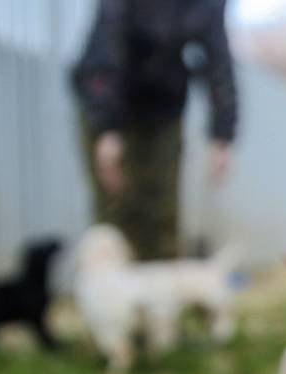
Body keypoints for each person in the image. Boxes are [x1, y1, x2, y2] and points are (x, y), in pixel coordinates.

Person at [72, 0, 238, 260]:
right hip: (110, 99)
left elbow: (218, 61)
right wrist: (108, 129)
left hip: (162, 108)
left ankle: (161, 293)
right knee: (117, 211)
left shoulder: (205, 5)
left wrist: (222, 135)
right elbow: (107, 49)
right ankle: (112, 296)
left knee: (161, 213)